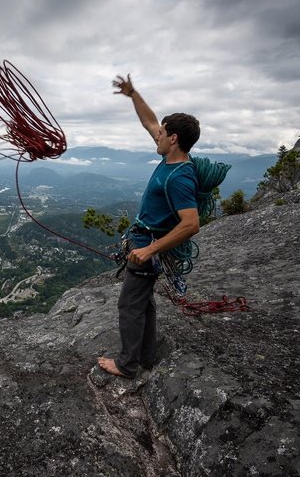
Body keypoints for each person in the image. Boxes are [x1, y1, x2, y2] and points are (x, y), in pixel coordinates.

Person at [97, 74, 201, 379]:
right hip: (145, 241)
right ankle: (146, 355)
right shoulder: (171, 157)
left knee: (129, 305)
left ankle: (127, 365)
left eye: (163, 133)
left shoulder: (179, 175)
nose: (157, 135)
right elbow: (150, 121)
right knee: (145, 303)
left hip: (148, 245)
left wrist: (150, 249)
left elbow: (191, 224)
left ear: (174, 140)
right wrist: (133, 94)